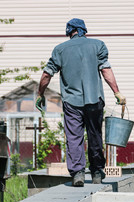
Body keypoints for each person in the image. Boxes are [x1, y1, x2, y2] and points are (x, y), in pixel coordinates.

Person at [36, 18, 126, 187]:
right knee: (95, 135)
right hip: (94, 100)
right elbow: (106, 70)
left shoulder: (60, 50)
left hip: (72, 102)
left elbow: (46, 75)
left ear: (69, 32)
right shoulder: (98, 45)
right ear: (84, 30)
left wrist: (40, 94)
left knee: (74, 137)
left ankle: (78, 174)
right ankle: (97, 172)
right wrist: (117, 92)